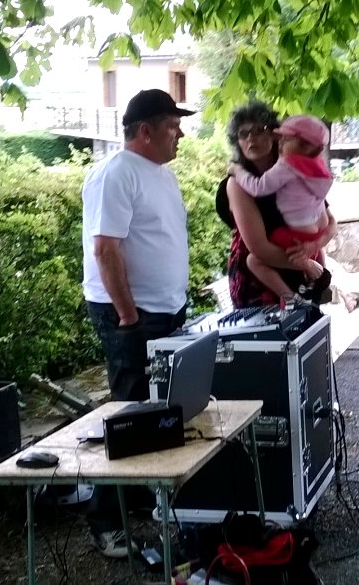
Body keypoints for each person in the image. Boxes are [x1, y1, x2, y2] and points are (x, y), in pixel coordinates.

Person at [81, 88, 192, 558]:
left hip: (164, 311)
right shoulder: (117, 173)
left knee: (159, 410)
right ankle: (106, 521)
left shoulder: (161, 174)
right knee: (128, 414)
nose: (180, 134)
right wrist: (128, 315)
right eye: (172, 126)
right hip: (132, 315)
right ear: (145, 131)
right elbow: (105, 249)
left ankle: (145, 498)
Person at [215, 101, 336, 308]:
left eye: (259, 130)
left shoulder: (295, 170)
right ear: (237, 142)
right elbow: (260, 249)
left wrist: (315, 247)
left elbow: (329, 223)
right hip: (259, 283)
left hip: (302, 276)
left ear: (275, 135)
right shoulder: (238, 183)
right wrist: (306, 264)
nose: (251, 138)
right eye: (243, 134)